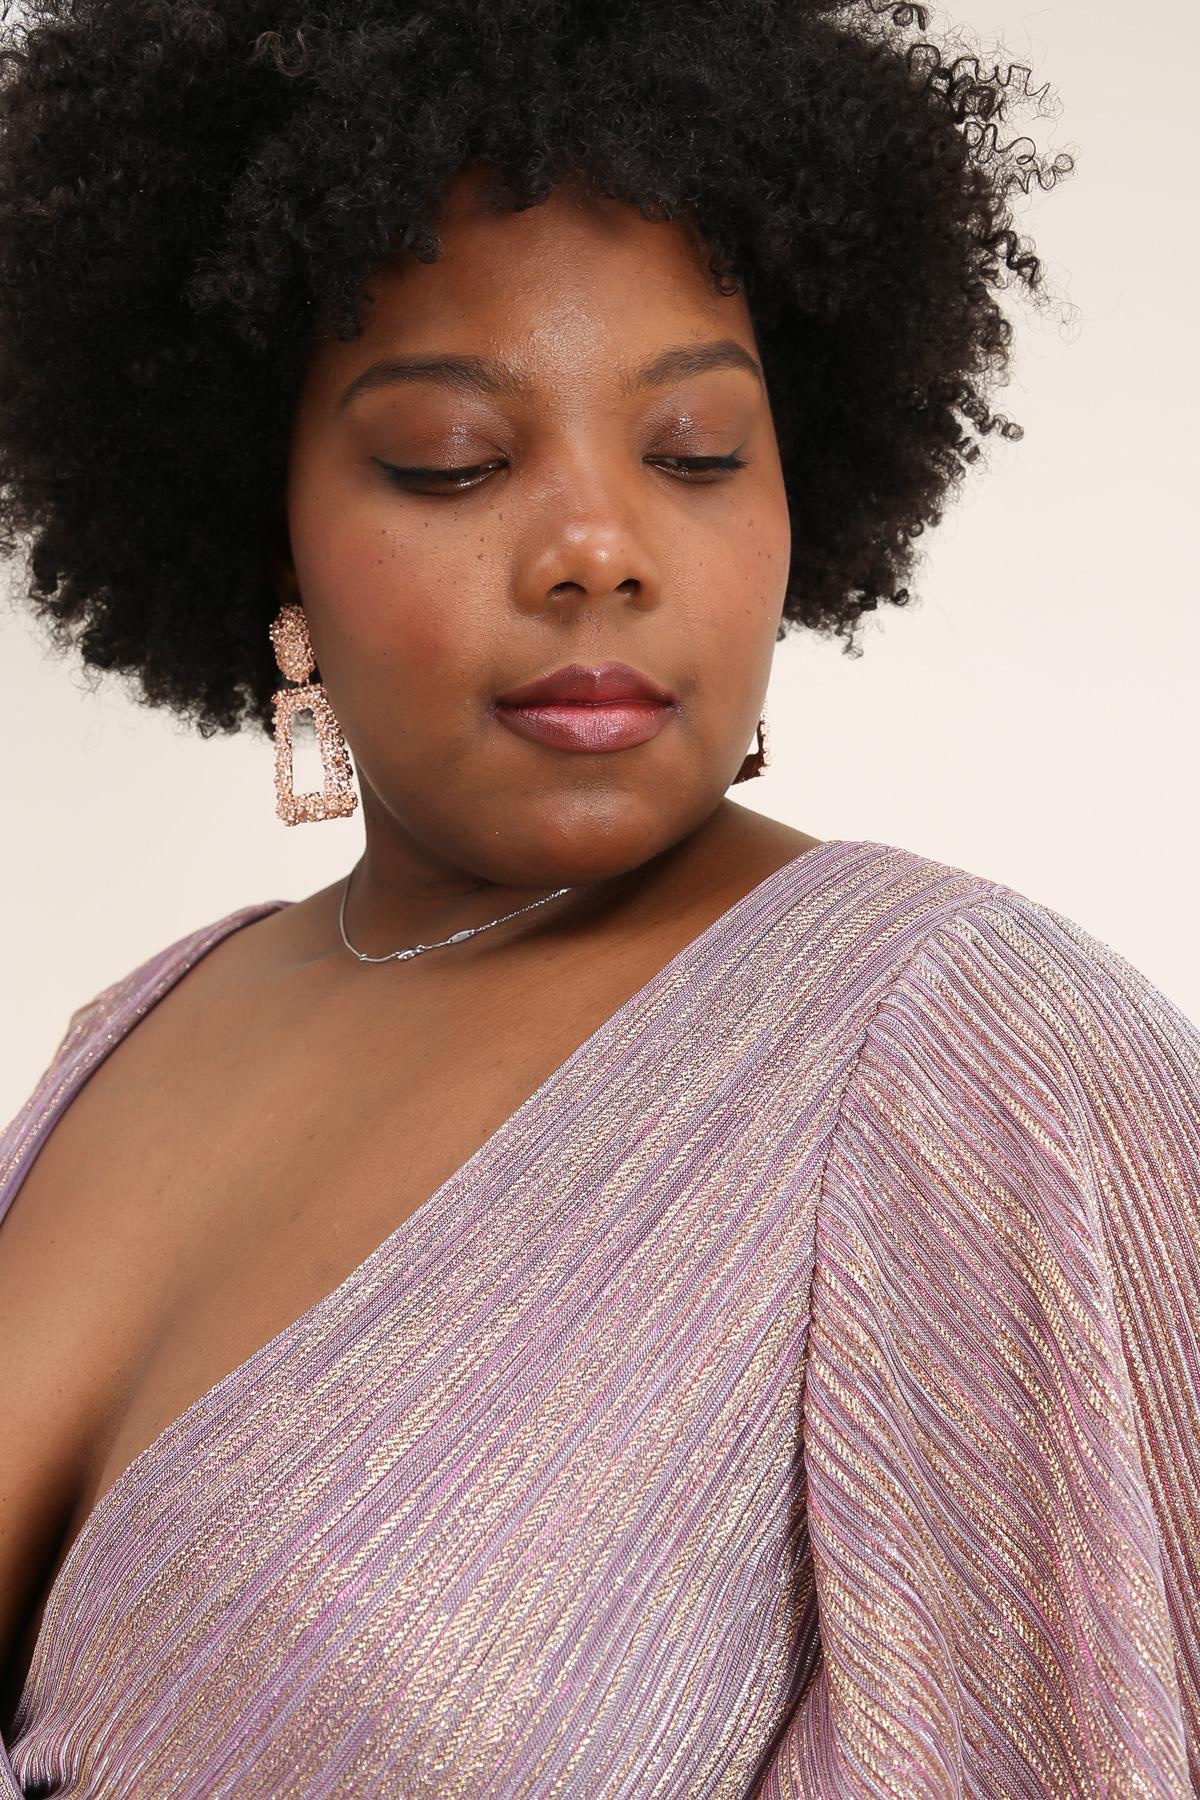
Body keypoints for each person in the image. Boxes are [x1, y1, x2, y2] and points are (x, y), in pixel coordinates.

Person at [0, 0, 1195, 1795]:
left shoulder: (965, 1055)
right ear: (270, 521)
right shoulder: (140, 1020)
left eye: (696, 450)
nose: (597, 550)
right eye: (453, 459)